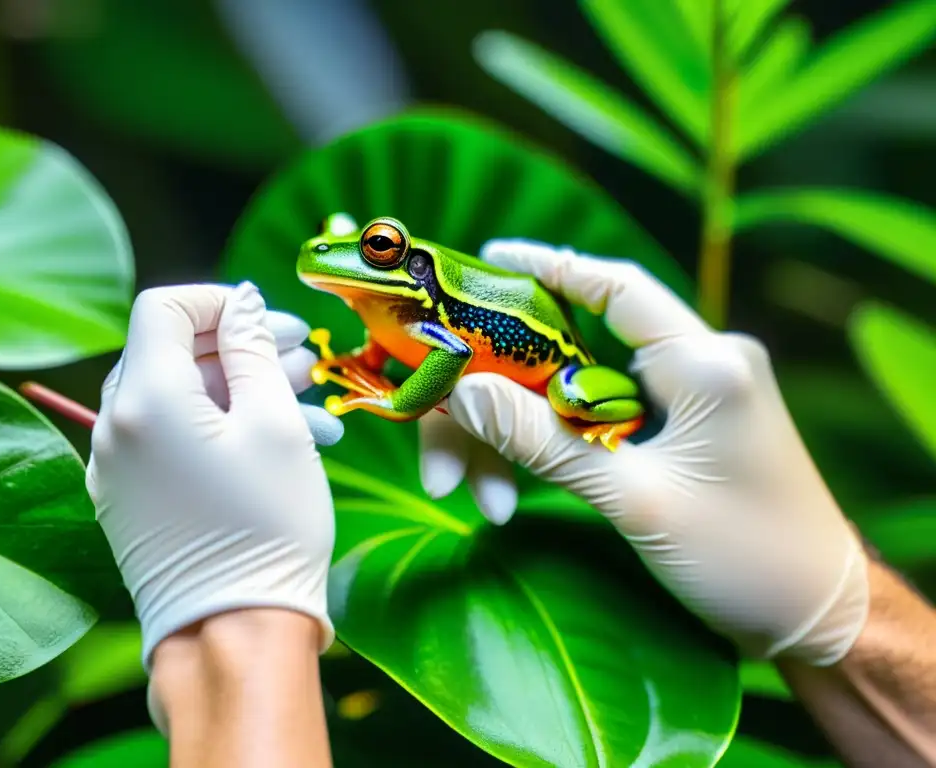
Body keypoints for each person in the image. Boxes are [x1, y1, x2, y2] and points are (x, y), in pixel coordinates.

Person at [85, 242, 936, 768]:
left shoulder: (436, 314)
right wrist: (857, 625)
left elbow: (449, 351)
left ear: (408, 263)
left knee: (573, 390)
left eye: (376, 250)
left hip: (559, 371)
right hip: (470, 352)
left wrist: (231, 624)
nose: (354, 260)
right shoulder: (393, 316)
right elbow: (414, 350)